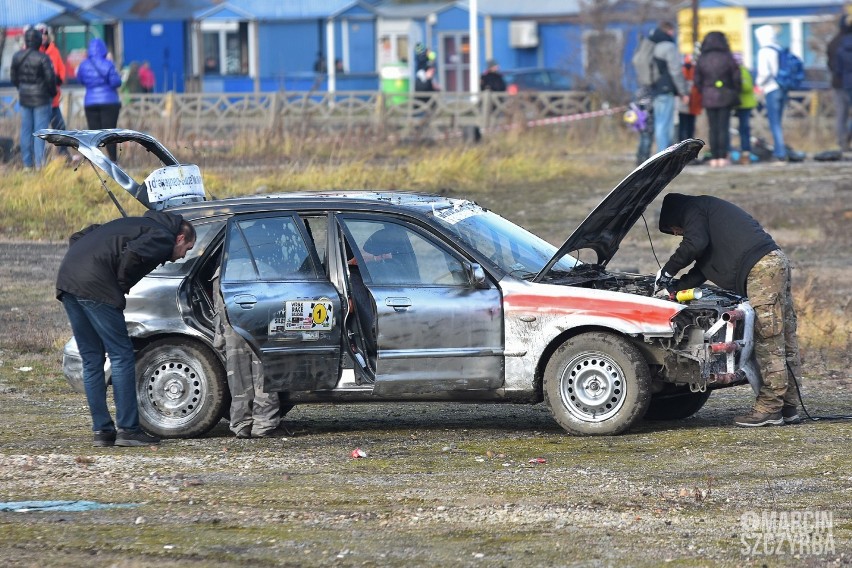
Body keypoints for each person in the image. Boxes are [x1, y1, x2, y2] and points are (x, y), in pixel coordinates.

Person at [655, 193, 802, 427]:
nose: (675, 234)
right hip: (773, 262)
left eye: (672, 229)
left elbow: (694, 244)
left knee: (768, 338)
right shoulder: (707, 218)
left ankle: (771, 408)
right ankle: (789, 406)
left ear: (674, 216)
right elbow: (701, 271)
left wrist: (667, 271)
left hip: (762, 269)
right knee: (784, 337)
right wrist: (673, 289)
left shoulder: (694, 209)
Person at [56, 211, 196, 447]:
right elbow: (133, 254)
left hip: (68, 279)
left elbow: (79, 236)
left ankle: (102, 431)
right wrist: (119, 284)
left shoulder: (134, 224)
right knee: (121, 355)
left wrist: (90, 264)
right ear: (180, 238)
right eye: (187, 249)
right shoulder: (163, 236)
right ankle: (129, 430)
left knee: (92, 359)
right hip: (95, 285)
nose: (182, 256)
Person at [212, 268, 286, 439]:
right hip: (260, 282)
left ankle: (241, 424)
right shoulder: (268, 252)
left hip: (227, 281)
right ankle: (263, 424)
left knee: (237, 366)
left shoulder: (232, 249)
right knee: (263, 364)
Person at [10, 27, 56, 170]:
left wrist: (22, 88)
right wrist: (52, 93)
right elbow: (50, 79)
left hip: (25, 98)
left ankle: (27, 165)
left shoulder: (17, 56)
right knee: (40, 132)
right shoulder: (43, 58)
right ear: (37, 41)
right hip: (41, 99)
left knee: (25, 131)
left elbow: (14, 78)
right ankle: (40, 164)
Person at [694, 31, 740, 168]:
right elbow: (736, 77)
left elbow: (697, 80)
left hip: (708, 96)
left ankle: (714, 157)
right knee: (723, 127)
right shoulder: (727, 57)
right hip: (726, 95)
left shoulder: (702, 58)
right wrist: (734, 90)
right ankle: (723, 156)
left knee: (712, 128)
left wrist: (705, 89)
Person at [76, 38, 122, 161]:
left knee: (93, 134)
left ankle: (92, 161)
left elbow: (80, 80)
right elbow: (116, 82)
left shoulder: (83, 65)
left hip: (90, 102)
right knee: (109, 134)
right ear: (103, 49)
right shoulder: (108, 64)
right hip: (109, 102)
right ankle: (113, 161)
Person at [649, 21, 689, 153]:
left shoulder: (652, 44)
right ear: (669, 31)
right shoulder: (668, 47)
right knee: (665, 123)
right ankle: (664, 153)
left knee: (659, 122)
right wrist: (683, 91)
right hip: (666, 90)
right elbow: (675, 70)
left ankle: (662, 150)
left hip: (654, 89)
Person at [35, 23, 70, 161]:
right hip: (40, 100)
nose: (43, 37)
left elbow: (61, 70)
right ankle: (40, 158)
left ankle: (63, 155)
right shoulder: (33, 51)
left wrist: (58, 80)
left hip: (53, 99)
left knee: (60, 128)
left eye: (45, 34)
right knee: (40, 130)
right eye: (40, 34)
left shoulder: (53, 51)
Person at [754, 25, 788, 163]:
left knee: (774, 123)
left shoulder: (764, 51)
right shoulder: (778, 48)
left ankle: (780, 153)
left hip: (771, 88)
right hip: (783, 87)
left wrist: (758, 84)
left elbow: (765, 73)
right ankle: (781, 150)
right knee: (779, 123)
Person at [830, 15, 852, 153]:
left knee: (841, 115)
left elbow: (834, 67)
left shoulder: (835, 43)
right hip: (844, 82)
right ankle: (848, 138)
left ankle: (842, 142)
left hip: (842, 83)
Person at [733, 52, 757, 165]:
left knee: (744, 129)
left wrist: (736, 86)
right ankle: (743, 152)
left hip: (745, 104)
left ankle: (746, 152)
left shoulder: (742, 71)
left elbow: (747, 86)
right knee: (742, 129)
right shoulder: (740, 70)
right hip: (740, 104)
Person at [677, 53, 702, 142]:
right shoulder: (691, 70)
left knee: (684, 125)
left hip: (689, 102)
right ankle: (686, 144)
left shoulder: (683, 70)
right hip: (689, 102)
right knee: (687, 126)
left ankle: (684, 144)